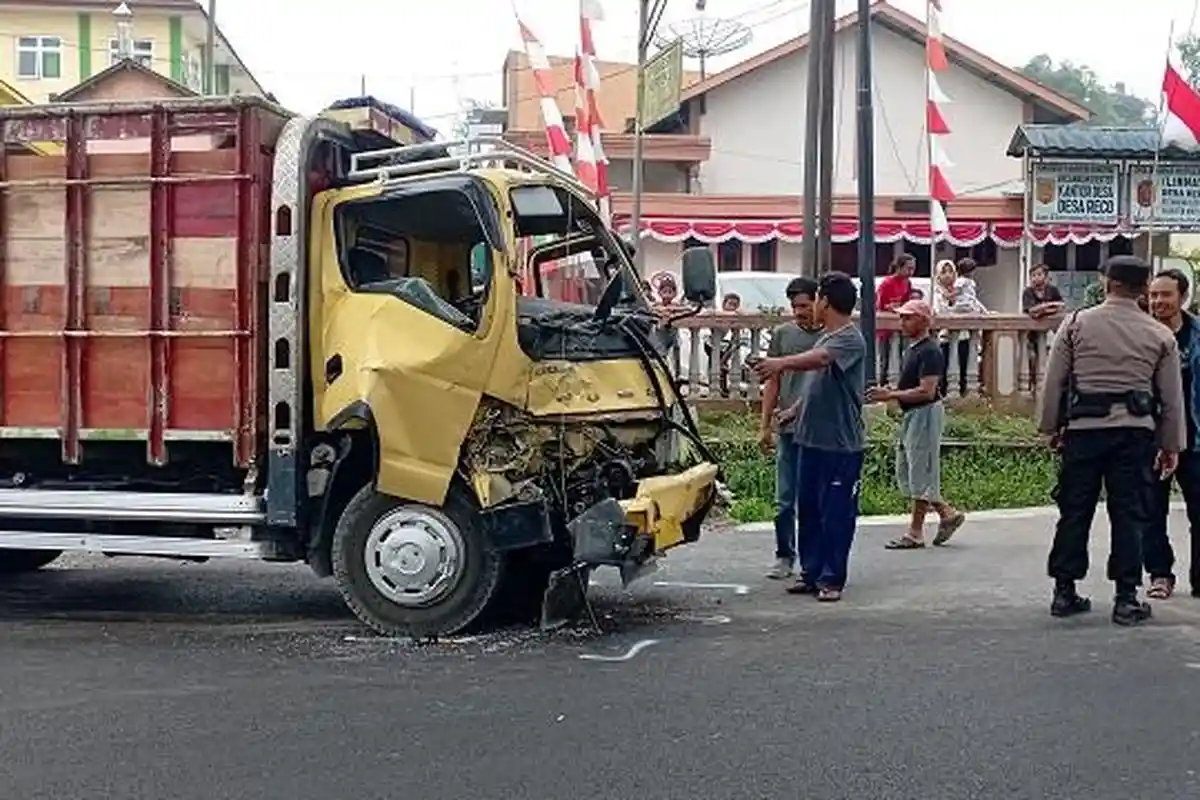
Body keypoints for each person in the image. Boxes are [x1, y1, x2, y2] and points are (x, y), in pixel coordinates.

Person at [1037, 255, 1186, 627]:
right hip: (1135, 435)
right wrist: (1171, 446)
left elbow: (1055, 381)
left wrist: (1051, 427)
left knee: (1074, 512)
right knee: (1130, 515)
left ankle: (1064, 590)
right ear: (1141, 289)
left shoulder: (1076, 323)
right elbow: (1171, 398)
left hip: (1084, 432)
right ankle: (1126, 598)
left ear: (1108, 284)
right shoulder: (1160, 334)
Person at [752, 272, 866, 603]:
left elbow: (821, 361)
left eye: (815, 300)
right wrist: (794, 412)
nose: (810, 307)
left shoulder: (848, 339)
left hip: (840, 445)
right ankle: (812, 572)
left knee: (836, 513)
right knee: (810, 510)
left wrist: (778, 363)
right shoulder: (825, 338)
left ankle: (832, 578)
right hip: (809, 439)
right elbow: (817, 383)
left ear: (825, 302)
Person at [866, 299, 967, 549]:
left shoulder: (930, 351)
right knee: (910, 467)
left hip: (925, 413)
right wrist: (893, 392)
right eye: (902, 317)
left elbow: (926, 391)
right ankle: (946, 514)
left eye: (908, 317)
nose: (903, 322)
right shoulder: (913, 349)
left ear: (923, 321)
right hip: (913, 414)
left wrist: (890, 395)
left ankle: (916, 531)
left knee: (920, 467)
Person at [758, 277, 823, 580]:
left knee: (815, 500)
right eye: (794, 306)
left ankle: (814, 560)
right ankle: (784, 554)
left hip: (821, 431)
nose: (799, 311)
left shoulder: (831, 338)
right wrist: (764, 425)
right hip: (788, 429)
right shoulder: (783, 335)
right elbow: (773, 381)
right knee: (784, 500)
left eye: (805, 305)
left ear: (818, 302)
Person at [1144, 268, 1200, 600]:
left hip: (1195, 440)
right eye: (1153, 295)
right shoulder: (1142, 335)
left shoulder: (1196, 334)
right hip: (1151, 439)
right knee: (1152, 512)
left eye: (1165, 295)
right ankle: (1160, 574)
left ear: (1182, 297)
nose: (1158, 301)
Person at [932, 259, 987, 396]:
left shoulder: (964, 291)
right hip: (945, 338)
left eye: (951, 271)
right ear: (938, 276)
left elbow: (976, 304)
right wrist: (951, 304)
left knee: (964, 368)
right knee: (946, 370)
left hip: (964, 336)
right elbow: (940, 311)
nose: (948, 275)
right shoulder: (937, 293)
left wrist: (986, 313)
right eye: (944, 272)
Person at [1021, 263, 1066, 390]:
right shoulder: (1028, 292)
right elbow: (1031, 310)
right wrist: (1048, 307)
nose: (1036, 278)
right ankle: (1032, 384)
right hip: (1031, 332)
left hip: (1050, 330)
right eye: (1033, 275)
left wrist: (1044, 309)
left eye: (1039, 274)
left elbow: (1061, 306)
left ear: (1046, 277)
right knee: (1032, 357)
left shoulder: (1052, 290)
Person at [876, 254, 915, 384]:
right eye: (908, 268)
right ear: (898, 267)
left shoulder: (907, 283)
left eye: (913, 269)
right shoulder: (886, 283)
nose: (911, 272)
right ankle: (881, 384)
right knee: (884, 359)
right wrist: (891, 307)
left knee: (900, 356)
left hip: (900, 325)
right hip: (885, 328)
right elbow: (879, 306)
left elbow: (907, 303)